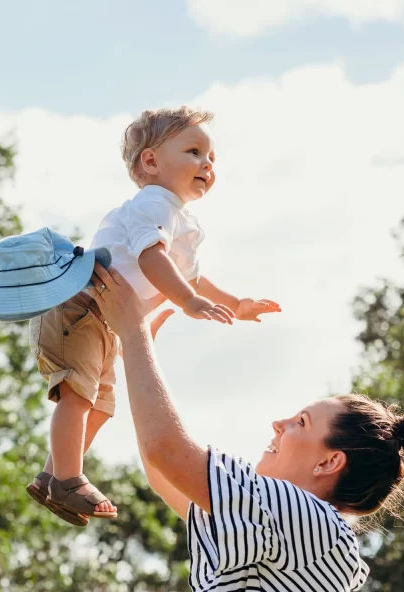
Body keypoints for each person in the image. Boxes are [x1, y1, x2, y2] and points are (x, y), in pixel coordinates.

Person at [88, 263, 404, 592]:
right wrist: (138, 345)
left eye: (300, 421)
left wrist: (133, 331)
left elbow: (166, 452)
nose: (278, 423)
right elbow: (162, 468)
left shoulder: (309, 518)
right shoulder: (285, 526)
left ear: (329, 462)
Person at [24, 106, 280, 525]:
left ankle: (53, 476)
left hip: (105, 319)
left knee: (102, 406)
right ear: (151, 160)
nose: (207, 164)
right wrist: (187, 301)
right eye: (194, 151)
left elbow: (192, 278)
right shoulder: (153, 204)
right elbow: (151, 259)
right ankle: (69, 478)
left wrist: (237, 304)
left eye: (212, 158)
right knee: (78, 395)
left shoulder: (181, 219)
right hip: (80, 305)